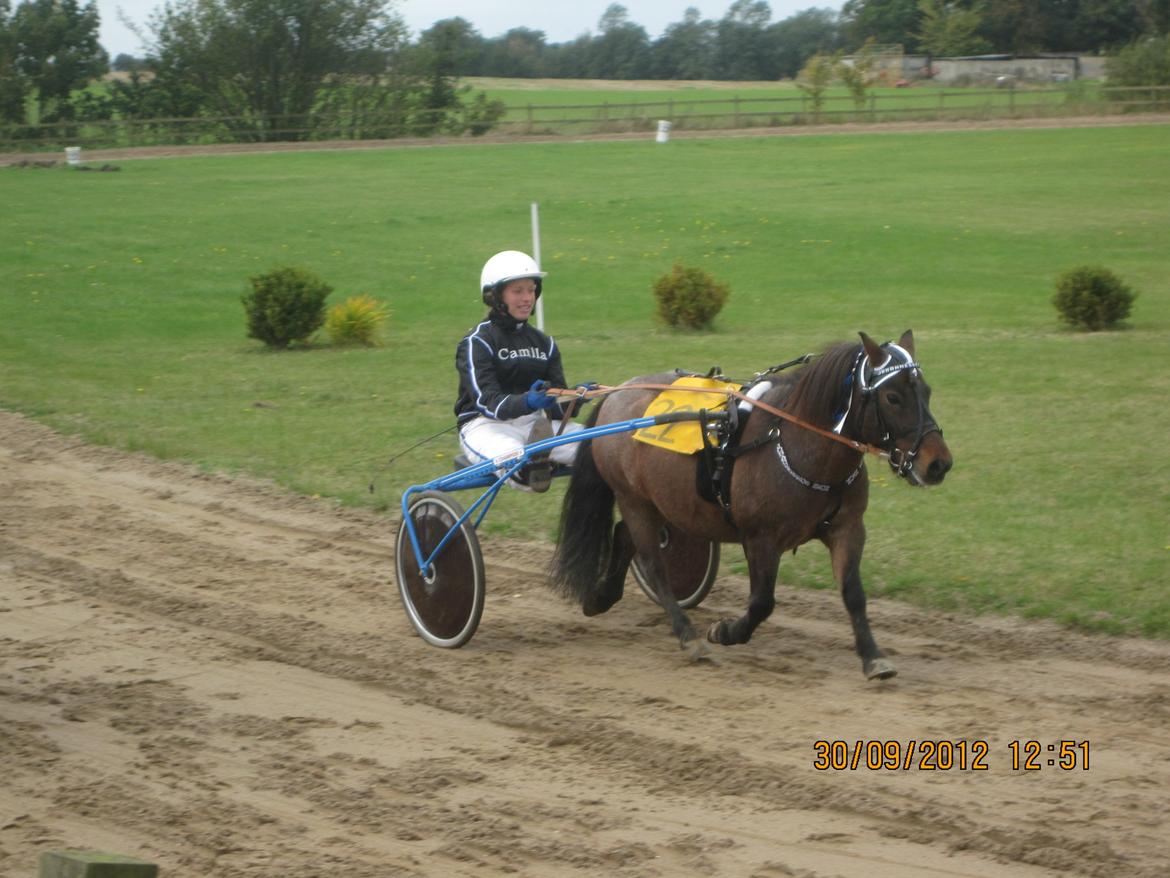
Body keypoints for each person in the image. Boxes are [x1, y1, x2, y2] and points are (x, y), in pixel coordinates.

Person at [454, 250, 587, 492]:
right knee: (516, 458)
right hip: (485, 425)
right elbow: (488, 403)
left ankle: (539, 456)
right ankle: (532, 465)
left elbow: (557, 410)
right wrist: (528, 401)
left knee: (601, 447)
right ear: (495, 296)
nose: (527, 298)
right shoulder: (478, 342)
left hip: (535, 425)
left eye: (531, 290)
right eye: (518, 291)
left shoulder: (545, 344)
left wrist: (575, 398)